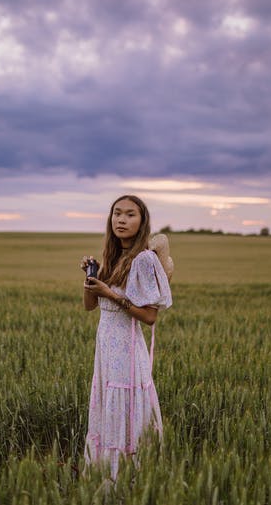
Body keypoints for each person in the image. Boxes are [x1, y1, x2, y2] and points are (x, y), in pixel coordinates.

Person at [80, 195, 173, 479]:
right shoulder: (112, 256)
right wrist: (90, 279)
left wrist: (110, 293)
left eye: (130, 214)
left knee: (123, 408)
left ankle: (127, 479)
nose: (121, 219)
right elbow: (89, 306)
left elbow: (150, 316)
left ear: (142, 221)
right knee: (107, 408)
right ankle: (105, 475)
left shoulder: (144, 260)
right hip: (106, 349)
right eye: (117, 214)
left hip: (127, 352)